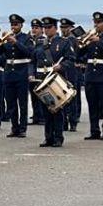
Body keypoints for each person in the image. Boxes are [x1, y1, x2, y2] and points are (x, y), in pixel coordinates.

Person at [79, 11, 103, 140]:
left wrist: (99, 41)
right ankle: (94, 130)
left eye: (99, 22)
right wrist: (82, 42)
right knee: (92, 104)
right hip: (91, 75)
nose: (96, 25)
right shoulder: (90, 37)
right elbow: (79, 54)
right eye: (95, 22)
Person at [38, 17, 73, 148]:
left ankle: (58, 137)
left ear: (55, 28)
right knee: (46, 110)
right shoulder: (41, 43)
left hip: (57, 79)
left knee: (57, 109)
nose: (46, 30)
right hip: (44, 78)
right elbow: (35, 60)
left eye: (49, 27)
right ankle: (48, 137)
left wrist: (61, 66)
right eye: (45, 28)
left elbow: (70, 60)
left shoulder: (63, 43)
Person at [1, 14, 34, 138]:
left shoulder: (26, 38)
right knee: (11, 103)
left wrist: (16, 42)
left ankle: (22, 128)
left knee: (22, 103)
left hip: (21, 73)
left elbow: (29, 53)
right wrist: (0, 42)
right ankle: (14, 127)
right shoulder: (7, 39)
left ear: (21, 25)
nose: (13, 27)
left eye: (16, 24)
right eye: (12, 25)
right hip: (9, 73)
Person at [59, 18, 84, 132]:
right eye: (62, 27)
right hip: (62, 70)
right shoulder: (60, 40)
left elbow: (78, 55)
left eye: (65, 27)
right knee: (62, 96)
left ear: (70, 28)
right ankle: (63, 122)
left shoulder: (73, 40)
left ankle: (73, 121)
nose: (63, 29)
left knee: (72, 96)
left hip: (72, 70)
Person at [28, 19, 47, 126]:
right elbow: (31, 61)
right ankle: (36, 116)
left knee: (42, 96)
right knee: (34, 96)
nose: (34, 30)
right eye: (33, 28)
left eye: (36, 28)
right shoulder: (31, 42)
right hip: (33, 73)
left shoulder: (43, 42)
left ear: (41, 30)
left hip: (42, 73)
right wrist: (31, 73)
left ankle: (42, 117)